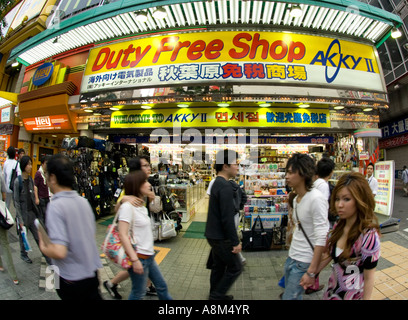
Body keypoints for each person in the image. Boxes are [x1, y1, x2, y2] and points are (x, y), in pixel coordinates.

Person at [38, 154, 103, 300]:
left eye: (47, 175)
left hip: (70, 279)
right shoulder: (83, 201)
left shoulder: (55, 206)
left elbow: (60, 251)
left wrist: (43, 246)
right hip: (91, 273)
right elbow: (90, 236)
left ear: (53, 178)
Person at [316, 172, 381, 300]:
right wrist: (310, 274)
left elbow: (369, 278)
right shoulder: (338, 226)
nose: (339, 204)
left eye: (346, 199)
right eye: (337, 199)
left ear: (359, 200)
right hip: (331, 294)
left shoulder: (369, 236)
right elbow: (329, 254)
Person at [104, 156, 157, 299]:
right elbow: (117, 209)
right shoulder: (130, 185)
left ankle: (147, 285)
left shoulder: (146, 184)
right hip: (133, 237)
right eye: (144, 166)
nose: (148, 168)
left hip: (142, 234)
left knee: (143, 264)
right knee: (137, 265)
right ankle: (112, 283)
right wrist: (123, 199)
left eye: (148, 165)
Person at [118, 170, 172, 300]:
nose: (148, 184)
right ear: (137, 185)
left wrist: (153, 199)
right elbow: (123, 234)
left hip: (149, 256)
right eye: (144, 181)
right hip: (139, 257)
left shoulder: (141, 206)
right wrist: (134, 260)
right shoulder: (127, 207)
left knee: (162, 287)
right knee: (138, 293)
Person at [282, 153, 329, 300]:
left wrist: (312, 271)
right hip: (292, 257)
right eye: (286, 172)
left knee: (289, 298)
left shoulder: (316, 198)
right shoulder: (296, 199)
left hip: (304, 261)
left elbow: (321, 236)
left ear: (302, 173)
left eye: (290, 172)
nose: (287, 177)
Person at [205, 149, 242, 300]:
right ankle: (216, 295)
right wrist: (235, 242)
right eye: (235, 164)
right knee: (235, 267)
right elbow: (227, 218)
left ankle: (215, 293)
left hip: (212, 234)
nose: (237, 167)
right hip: (221, 237)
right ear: (225, 166)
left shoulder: (216, 183)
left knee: (219, 266)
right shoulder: (225, 186)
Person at [14, 156, 51, 265]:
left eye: (31, 164)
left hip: (32, 213)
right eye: (29, 164)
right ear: (23, 166)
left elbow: (33, 192)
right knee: (23, 238)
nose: (30, 166)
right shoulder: (18, 182)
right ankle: (23, 254)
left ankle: (48, 258)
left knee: (39, 237)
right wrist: (20, 219)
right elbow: (16, 201)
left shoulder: (30, 179)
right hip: (23, 215)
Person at [0, 169, 19, 285]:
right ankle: (13, 275)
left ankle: (1, 265)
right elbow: (4, 193)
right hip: (0, 214)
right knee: (5, 244)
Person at [34, 155, 51, 222]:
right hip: (41, 197)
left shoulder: (47, 173)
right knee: (43, 214)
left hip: (47, 196)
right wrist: (36, 198)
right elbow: (35, 186)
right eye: (46, 163)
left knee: (47, 214)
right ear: (43, 163)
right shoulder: (38, 173)